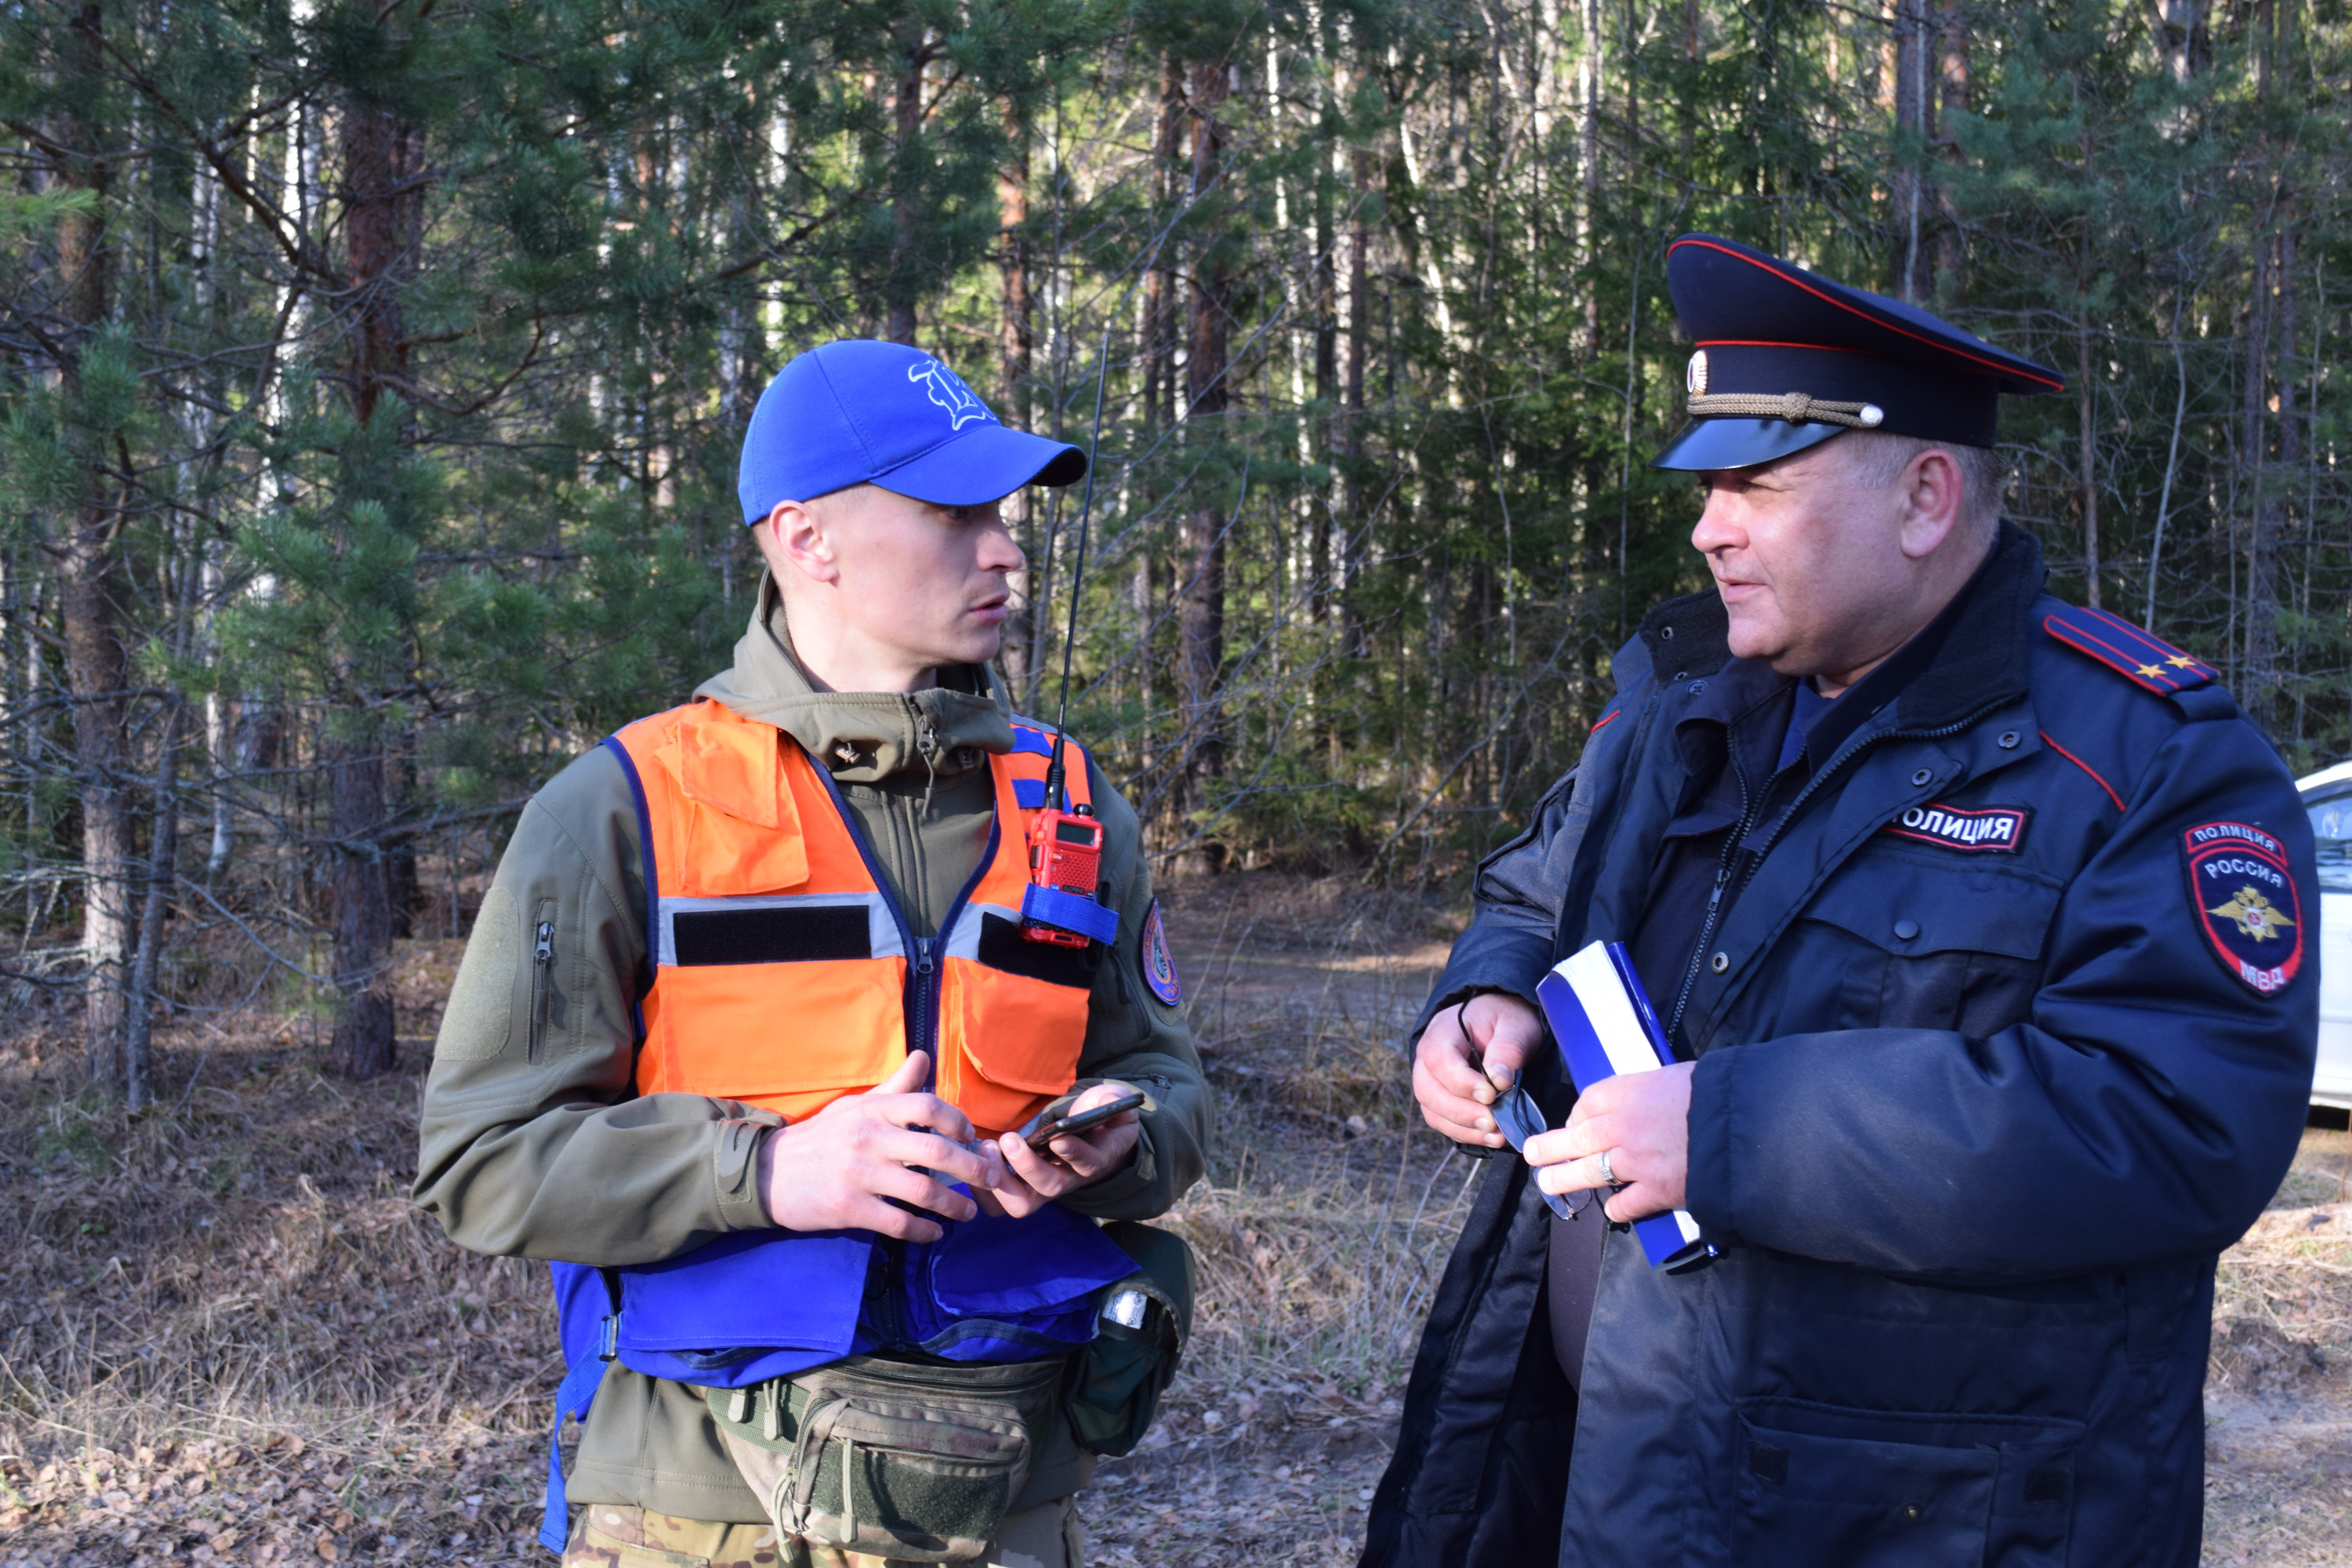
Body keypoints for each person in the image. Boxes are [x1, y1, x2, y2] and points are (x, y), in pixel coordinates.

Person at [1361, 234, 2318, 1567]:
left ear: (1925, 496)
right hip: (1604, 1457)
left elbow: (2173, 1121)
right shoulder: (1681, 701)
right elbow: (1547, 878)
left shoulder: (2142, 760)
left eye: (1756, 482)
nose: (1709, 525)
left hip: (1910, 1518)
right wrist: (1490, 988)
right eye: (1707, 483)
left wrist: (1739, 1132)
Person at [415, 339, 1209, 1568]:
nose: (1005, 548)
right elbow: (479, 1162)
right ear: (804, 539)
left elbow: (1168, 1083)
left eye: (1003, 513)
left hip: (1009, 1494)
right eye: (954, 512)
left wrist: (1120, 1138)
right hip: (700, 1507)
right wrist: (770, 1172)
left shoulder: (1070, 801)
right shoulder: (624, 804)